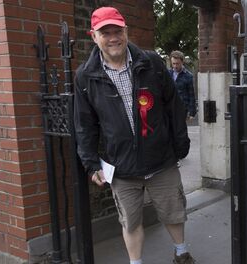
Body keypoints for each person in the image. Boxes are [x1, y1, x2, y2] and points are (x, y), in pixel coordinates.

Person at [73, 6, 195, 264]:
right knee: (130, 221)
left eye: (117, 31)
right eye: (105, 33)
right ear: (93, 36)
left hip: (161, 159)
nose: (113, 37)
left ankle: (181, 253)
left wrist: (180, 144)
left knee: (174, 211)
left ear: (125, 31)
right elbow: (84, 124)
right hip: (122, 165)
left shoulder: (150, 62)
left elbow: (173, 105)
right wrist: (91, 163)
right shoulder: (86, 76)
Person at [169, 50, 197, 121]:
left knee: (181, 131)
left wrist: (192, 113)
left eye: (177, 64)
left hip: (182, 109)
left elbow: (191, 95)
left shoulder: (188, 76)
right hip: (169, 108)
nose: (175, 66)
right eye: (173, 63)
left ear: (182, 62)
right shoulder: (168, 74)